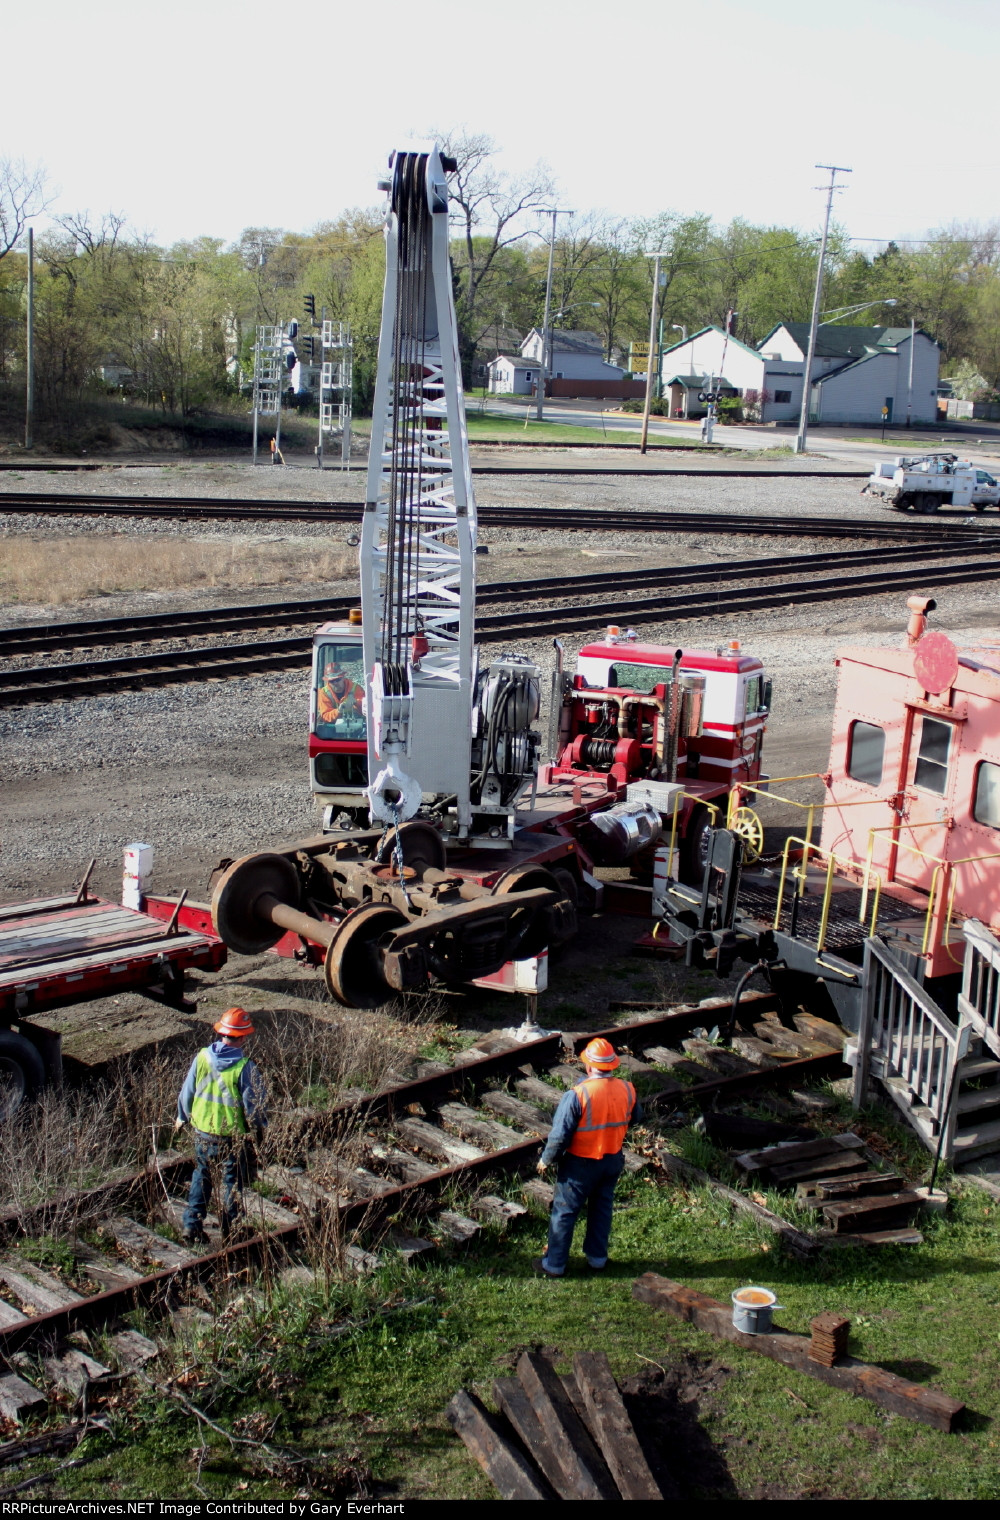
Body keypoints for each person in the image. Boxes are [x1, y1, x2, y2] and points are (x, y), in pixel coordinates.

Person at [532, 1038, 641, 1277]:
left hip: (579, 1164)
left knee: (565, 1211)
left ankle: (554, 1264)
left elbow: (560, 1135)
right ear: (612, 1065)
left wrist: (547, 1159)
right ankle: (597, 1259)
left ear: (589, 1066)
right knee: (601, 1209)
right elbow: (635, 1117)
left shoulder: (577, 1095)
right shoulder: (627, 1089)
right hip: (612, 1160)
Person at [175, 1007, 267, 1245]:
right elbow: (254, 1106)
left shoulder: (203, 1056)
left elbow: (188, 1091)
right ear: (244, 1036)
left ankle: (191, 1224)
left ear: (221, 1033)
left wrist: (182, 1116)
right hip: (230, 1136)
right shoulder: (245, 1067)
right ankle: (232, 1228)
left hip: (203, 1131)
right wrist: (260, 1129)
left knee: (202, 1176)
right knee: (231, 1182)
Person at [317, 659, 364, 726]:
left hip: (358, 725)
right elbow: (325, 716)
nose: (335, 683)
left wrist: (356, 702)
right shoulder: (324, 693)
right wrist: (338, 711)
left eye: (337, 679)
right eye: (332, 681)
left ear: (343, 677)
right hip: (335, 729)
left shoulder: (355, 688)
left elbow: (367, 709)